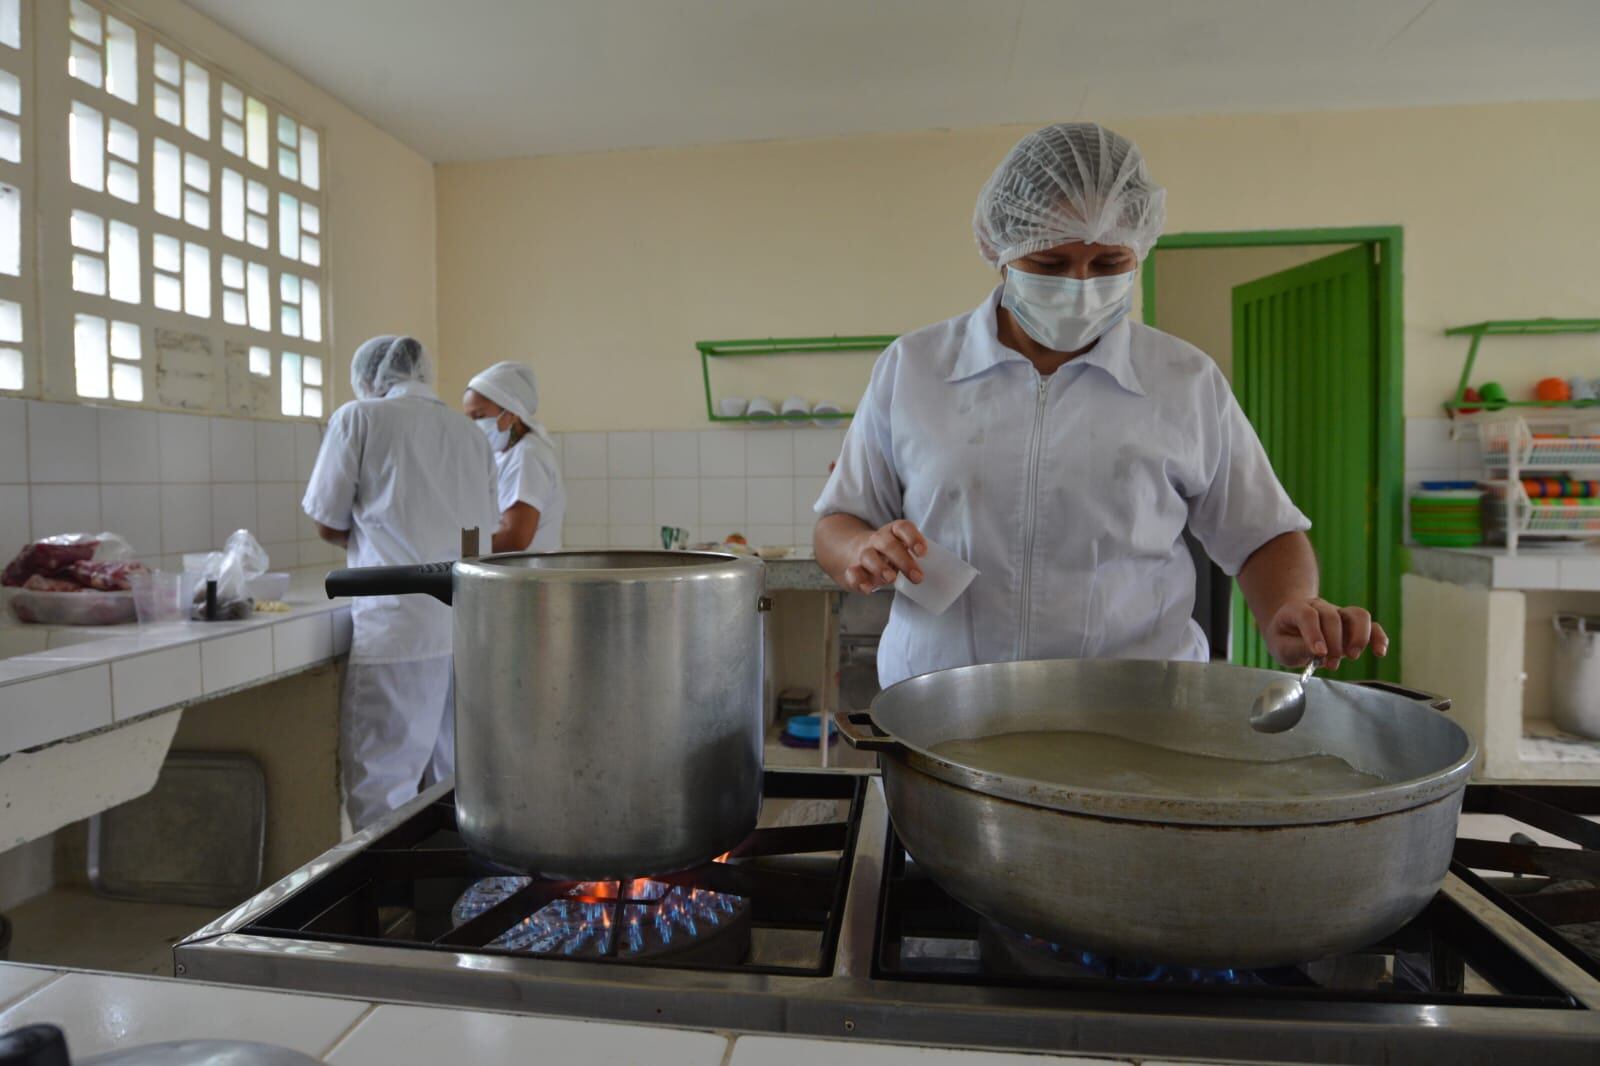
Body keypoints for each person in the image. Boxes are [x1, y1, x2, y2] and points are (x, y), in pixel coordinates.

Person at [813, 122, 1386, 689]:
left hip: (1134, 715)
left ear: (1138, 251)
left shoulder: (1184, 381)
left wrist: (1288, 606)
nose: (1080, 285)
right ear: (1001, 249)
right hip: (940, 707)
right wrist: (860, 549)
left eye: (1109, 265)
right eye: (1050, 265)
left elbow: (1264, 534)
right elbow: (839, 521)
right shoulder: (915, 368)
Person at [302, 335, 498, 830]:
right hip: (465, 621)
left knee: (382, 780)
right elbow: (484, 526)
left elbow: (326, 519)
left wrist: (383, 536)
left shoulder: (360, 417)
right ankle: (448, 894)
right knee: (454, 775)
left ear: (370, 378)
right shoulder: (470, 433)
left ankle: (386, 902)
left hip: (397, 621)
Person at [462, 361, 566, 553]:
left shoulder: (527, 455)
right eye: (468, 418)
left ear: (511, 413)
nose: (473, 426)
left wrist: (464, 549)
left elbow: (515, 536)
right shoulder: (504, 454)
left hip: (528, 578)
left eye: (479, 416)